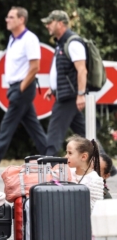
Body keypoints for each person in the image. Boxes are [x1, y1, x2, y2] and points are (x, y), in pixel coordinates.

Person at [0, 7, 47, 172]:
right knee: (35, 130)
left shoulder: (29, 39)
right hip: (16, 87)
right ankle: (54, 161)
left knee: (5, 130)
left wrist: (20, 88)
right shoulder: (13, 39)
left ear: (21, 20)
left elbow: (35, 67)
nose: (7, 19)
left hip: (23, 88)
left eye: (11, 17)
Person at [42, 10, 88, 155]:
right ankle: (107, 166)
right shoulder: (61, 43)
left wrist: (81, 94)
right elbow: (63, 70)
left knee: (54, 132)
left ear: (60, 23)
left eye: (50, 22)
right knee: (85, 134)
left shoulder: (73, 43)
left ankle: (48, 163)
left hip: (70, 95)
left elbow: (82, 70)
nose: (47, 26)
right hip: (65, 93)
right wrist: (53, 88)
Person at [65, 135, 104, 211]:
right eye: (66, 152)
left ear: (83, 157)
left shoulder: (94, 180)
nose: (66, 156)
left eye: (70, 153)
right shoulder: (67, 172)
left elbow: (95, 209)